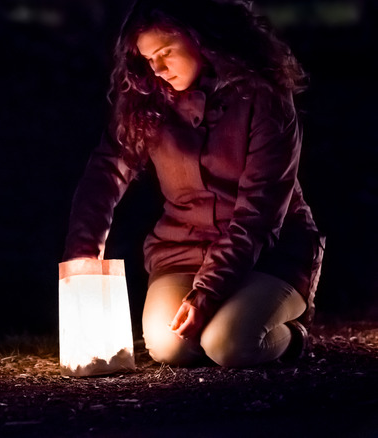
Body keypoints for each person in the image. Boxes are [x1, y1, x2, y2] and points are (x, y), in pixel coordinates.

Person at [62, 0, 325, 367]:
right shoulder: (148, 103)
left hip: (269, 254)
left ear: (201, 38)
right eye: (148, 59)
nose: (157, 69)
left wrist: (206, 294)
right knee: (170, 347)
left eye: (166, 52)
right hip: (181, 252)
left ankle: (294, 338)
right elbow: (107, 170)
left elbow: (259, 214)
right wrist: (84, 251)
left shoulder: (264, 99)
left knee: (230, 343)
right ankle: (225, 319)